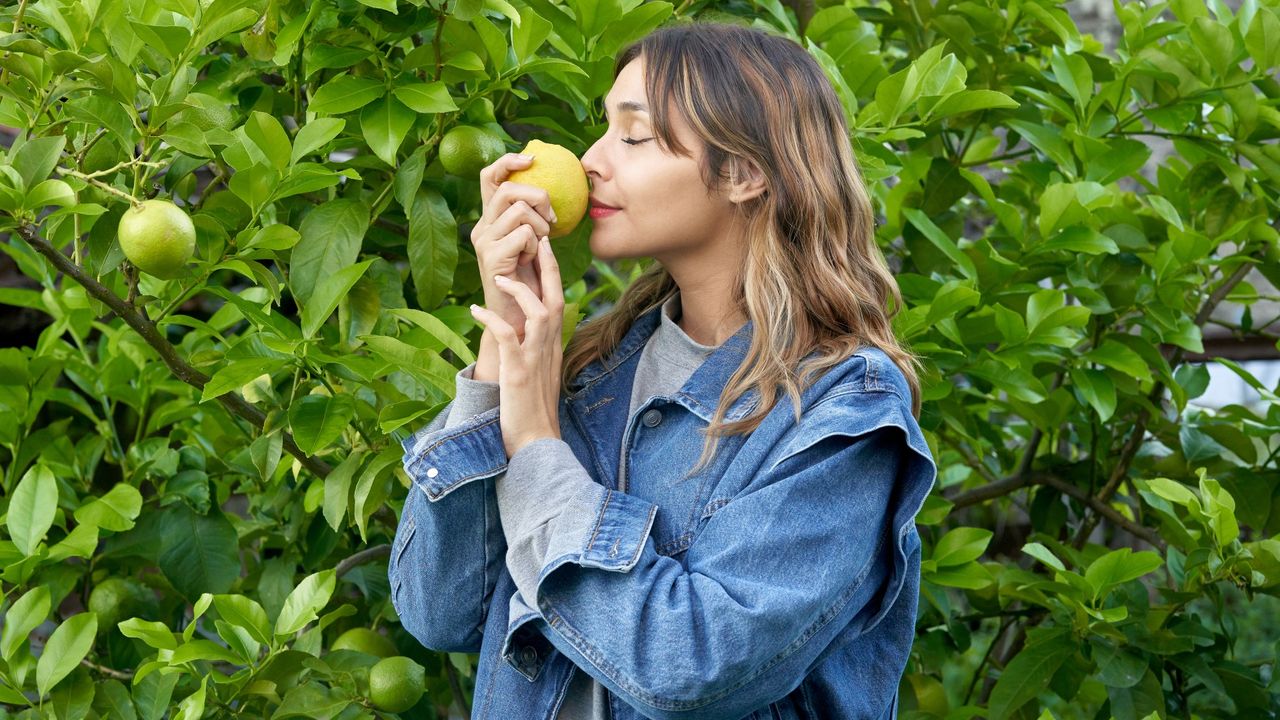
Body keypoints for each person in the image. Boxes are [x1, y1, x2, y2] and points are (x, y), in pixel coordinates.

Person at [389, 21, 938, 720]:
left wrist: (534, 444)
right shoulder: (591, 375)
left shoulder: (839, 412)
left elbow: (693, 664)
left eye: (634, 136)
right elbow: (440, 613)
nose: (589, 161)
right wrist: (503, 351)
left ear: (744, 171)